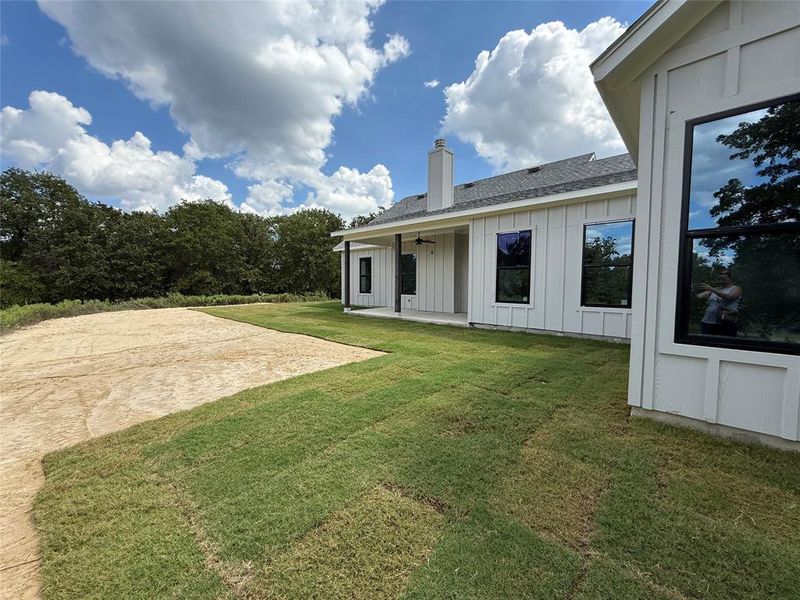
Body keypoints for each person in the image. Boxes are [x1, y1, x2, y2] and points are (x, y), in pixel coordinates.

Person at [697, 267, 742, 336]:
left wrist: (711, 289)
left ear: (730, 279)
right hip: (707, 321)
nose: (721, 281)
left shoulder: (736, 288)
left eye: (724, 279)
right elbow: (699, 296)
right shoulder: (715, 289)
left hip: (725, 322)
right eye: (720, 279)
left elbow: (729, 296)